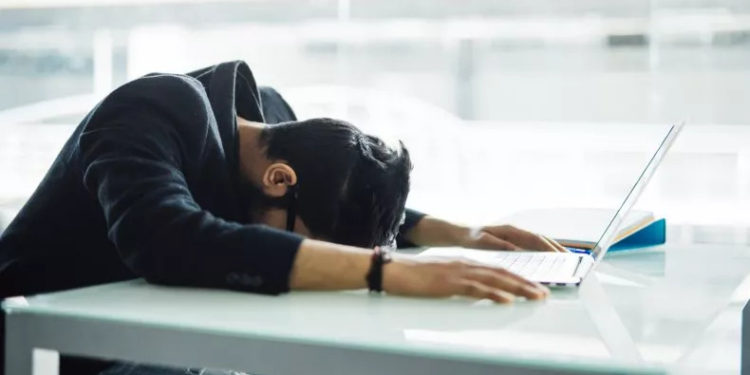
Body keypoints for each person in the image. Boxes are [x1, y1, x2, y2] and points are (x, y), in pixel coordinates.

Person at [0, 61, 566, 375]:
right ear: (279, 179)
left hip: (150, 333)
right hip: (46, 344)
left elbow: (331, 206)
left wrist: (455, 233)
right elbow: (164, 236)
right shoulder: (149, 110)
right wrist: (381, 272)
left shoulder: (272, 120)